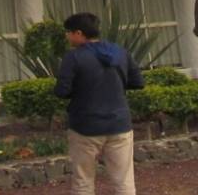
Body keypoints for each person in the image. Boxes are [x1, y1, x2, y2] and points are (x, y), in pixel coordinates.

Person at [54, 12, 143, 195]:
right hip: (119, 123)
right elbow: (138, 82)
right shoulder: (121, 52)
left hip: (84, 125)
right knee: (124, 182)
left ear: (78, 33)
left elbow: (62, 91)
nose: (67, 36)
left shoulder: (73, 57)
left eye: (68, 32)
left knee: (83, 181)